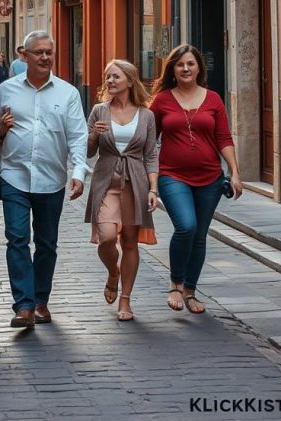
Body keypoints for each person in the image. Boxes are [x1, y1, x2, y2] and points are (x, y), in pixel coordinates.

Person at [0, 30, 87, 328]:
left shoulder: (68, 93)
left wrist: (79, 172)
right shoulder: (6, 90)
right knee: (17, 238)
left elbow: (78, 135)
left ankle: (41, 300)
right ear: (25, 56)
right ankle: (24, 305)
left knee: (46, 243)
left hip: (51, 178)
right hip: (14, 175)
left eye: (49, 52)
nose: (45, 57)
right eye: (38, 52)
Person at [151, 44, 242, 314]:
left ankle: (190, 291)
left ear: (199, 67)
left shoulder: (213, 99)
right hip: (172, 175)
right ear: (173, 69)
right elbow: (148, 141)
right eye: (180, 64)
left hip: (210, 178)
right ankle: (175, 284)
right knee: (186, 226)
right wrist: (150, 180)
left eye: (191, 63)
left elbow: (223, 138)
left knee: (200, 235)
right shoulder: (162, 100)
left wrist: (234, 172)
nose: (186, 68)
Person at [86, 60, 158, 321]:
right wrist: (93, 134)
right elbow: (88, 151)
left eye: (115, 77)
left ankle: (125, 300)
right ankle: (113, 272)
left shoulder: (146, 115)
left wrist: (153, 188)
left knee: (129, 241)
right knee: (105, 237)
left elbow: (151, 155)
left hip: (136, 184)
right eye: (107, 77)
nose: (109, 81)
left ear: (129, 80)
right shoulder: (98, 111)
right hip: (106, 182)